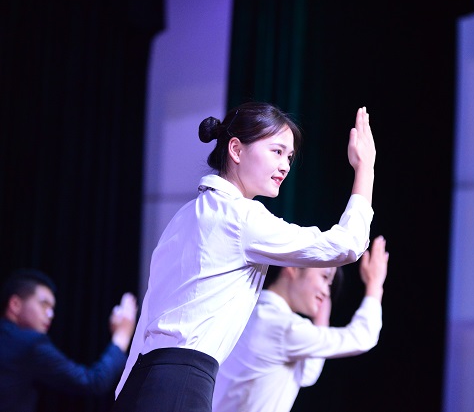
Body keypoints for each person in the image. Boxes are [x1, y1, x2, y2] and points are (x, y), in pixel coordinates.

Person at [112, 101, 376, 412]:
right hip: (182, 384)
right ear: (236, 150)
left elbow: (148, 317)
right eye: (276, 151)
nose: (285, 166)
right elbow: (346, 245)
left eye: (289, 157)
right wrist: (365, 168)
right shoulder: (242, 217)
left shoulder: (183, 216)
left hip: (141, 382)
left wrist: (123, 394)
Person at [211, 234, 388, 412]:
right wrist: (374, 284)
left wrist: (321, 317)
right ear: (293, 267)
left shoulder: (253, 313)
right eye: (324, 277)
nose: (327, 292)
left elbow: (306, 373)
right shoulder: (283, 328)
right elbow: (362, 337)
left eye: (330, 284)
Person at [0, 269, 137, 412]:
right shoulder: (30, 343)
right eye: (44, 304)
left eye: (52, 308)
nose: (50, 314)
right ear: (15, 304)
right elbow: (93, 382)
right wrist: (122, 335)